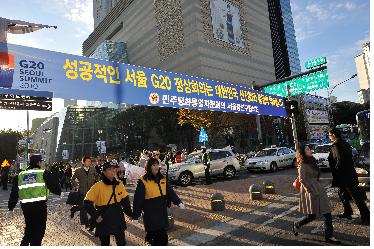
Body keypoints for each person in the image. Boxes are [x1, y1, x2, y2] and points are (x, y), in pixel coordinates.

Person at [8, 154, 61, 246]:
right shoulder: (43, 173)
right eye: (41, 162)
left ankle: (24, 245)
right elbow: (56, 188)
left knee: (29, 228)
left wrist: (11, 207)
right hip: (39, 206)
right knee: (38, 231)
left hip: (26, 207)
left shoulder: (20, 175)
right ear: (39, 162)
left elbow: (14, 193)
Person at [292, 144, 341, 244]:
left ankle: (329, 236)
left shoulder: (312, 160)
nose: (310, 150)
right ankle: (297, 224)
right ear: (302, 152)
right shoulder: (302, 164)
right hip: (310, 191)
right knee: (312, 216)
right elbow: (302, 180)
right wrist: (311, 191)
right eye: (307, 149)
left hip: (318, 189)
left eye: (309, 148)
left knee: (327, 213)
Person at [132, 157, 184, 246]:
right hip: (150, 214)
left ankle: (149, 239)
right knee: (161, 237)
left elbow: (170, 192)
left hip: (162, 212)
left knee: (158, 235)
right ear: (149, 167)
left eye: (157, 165)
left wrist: (178, 202)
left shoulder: (162, 178)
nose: (156, 167)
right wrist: (136, 216)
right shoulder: (143, 181)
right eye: (153, 165)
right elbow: (138, 200)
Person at [84, 161, 133, 246]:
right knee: (105, 243)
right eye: (110, 169)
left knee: (121, 243)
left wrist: (130, 214)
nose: (113, 171)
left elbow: (125, 201)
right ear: (103, 172)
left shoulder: (119, 184)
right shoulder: (97, 186)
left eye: (114, 168)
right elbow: (86, 202)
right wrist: (96, 216)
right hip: (104, 219)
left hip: (118, 218)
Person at [328, 128, 370, 224]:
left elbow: (340, 160)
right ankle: (348, 211)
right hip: (350, 174)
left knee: (356, 196)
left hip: (344, 176)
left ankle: (366, 217)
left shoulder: (336, 145)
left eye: (330, 135)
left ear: (334, 135)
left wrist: (336, 169)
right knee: (341, 193)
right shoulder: (346, 143)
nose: (329, 137)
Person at [71, 156, 98, 229]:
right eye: (88, 161)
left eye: (90, 161)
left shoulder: (93, 170)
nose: (89, 163)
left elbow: (98, 178)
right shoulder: (78, 170)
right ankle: (86, 223)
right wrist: (76, 185)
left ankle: (74, 209)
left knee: (91, 208)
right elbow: (72, 179)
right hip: (82, 191)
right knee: (83, 208)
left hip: (91, 192)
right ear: (83, 162)